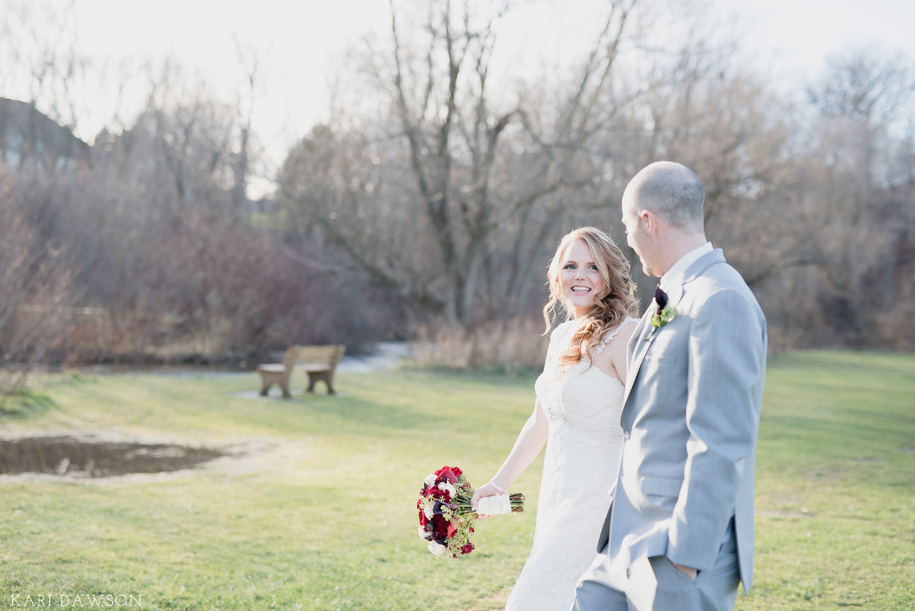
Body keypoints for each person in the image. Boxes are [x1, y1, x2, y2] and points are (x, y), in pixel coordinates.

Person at [571, 161, 768, 611]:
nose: (628, 239)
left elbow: (721, 439)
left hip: (675, 553)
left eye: (627, 226)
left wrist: (685, 557)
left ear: (648, 220)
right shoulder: (675, 294)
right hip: (623, 541)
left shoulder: (722, 299)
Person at [471, 226, 639, 611]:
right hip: (559, 497)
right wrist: (500, 483)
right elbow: (540, 422)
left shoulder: (625, 336)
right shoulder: (562, 335)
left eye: (592, 267)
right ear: (556, 276)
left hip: (602, 505)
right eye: (571, 266)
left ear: (609, 276)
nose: (580, 275)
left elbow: (650, 424)